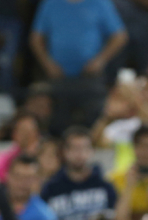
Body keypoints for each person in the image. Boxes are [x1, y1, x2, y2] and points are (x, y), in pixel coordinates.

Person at [30, 0, 128, 135]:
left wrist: (100, 60)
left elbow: (119, 35)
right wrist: (48, 64)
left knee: (93, 120)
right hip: (59, 77)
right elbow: (36, 37)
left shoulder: (99, 3)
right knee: (56, 123)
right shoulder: (51, 3)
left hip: (89, 77)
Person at [41, 126, 117, 220]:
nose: (80, 154)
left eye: (84, 148)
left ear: (92, 151)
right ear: (65, 152)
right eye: (75, 149)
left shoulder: (105, 187)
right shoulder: (51, 189)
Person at [0, 156, 58, 220]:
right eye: (18, 176)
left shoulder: (45, 218)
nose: (22, 183)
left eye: (28, 178)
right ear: (7, 176)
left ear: (37, 180)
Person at [110, 126, 148, 220]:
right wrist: (129, 186)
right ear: (134, 148)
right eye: (143, 146)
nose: (146, 152)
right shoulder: (115, 180)